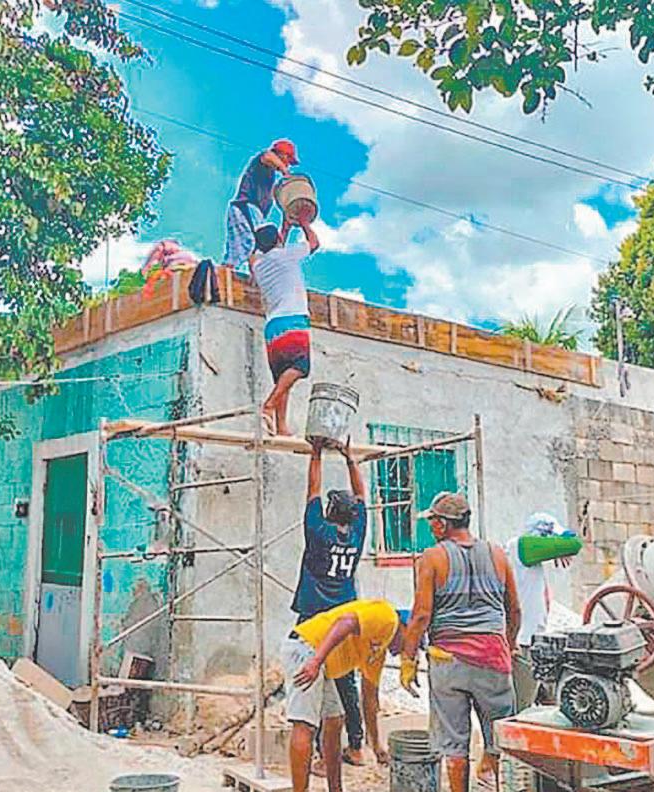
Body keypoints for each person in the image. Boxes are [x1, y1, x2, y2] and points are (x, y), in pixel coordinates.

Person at [399, 492, 521, 792]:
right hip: (493, 658)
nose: (431, 527)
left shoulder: (432, 558)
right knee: (499, 737)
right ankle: (497, 781)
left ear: (443, 524)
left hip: (448, 660)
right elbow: (514, 610)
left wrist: (408, 659)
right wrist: (508, 644)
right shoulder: (497, 554)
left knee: (454, 744)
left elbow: (421, 615)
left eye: (432, 522)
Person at [291, 440, 368, 774]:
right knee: (345, 681)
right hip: (344, 616)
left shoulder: (318, 531)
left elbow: (312, 490)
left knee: (312, 682)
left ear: (330, 512)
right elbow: (362, 495)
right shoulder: (357, 533)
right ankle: (357, 746)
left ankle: (322, 753)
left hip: (314, 617)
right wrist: (350, 459)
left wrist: (316, 453)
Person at [281, 600, 406, 792]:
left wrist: (376, 746)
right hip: (307, 649)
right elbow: (345, 622)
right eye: (411, 642)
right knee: (304, 724)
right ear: (406, 627)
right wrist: (316, 661)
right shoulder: (388, 616)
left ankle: (336, 789)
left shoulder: (377, 651)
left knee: (335, 720)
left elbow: (369, 701)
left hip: (320, 660)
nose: (404, 651)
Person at [506, 512, 582, 711]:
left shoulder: (528, 560)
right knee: (521, 709)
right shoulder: (522, 546)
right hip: (524, 643)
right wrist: (559, 533)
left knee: (548, 704)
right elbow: (573, 543)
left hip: (533, 640)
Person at [252, 218, 320, 435]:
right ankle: (269, 405)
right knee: (300, 367)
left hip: (273, 327)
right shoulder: (287, 255)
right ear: (279, 240)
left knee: (283, 380)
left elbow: (268, 249)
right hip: (292, 320)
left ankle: (282, 427)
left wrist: (285, 228)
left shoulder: (258, 266)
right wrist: (304, 223)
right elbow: (314, 243)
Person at [223, 139, 299, 271]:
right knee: (244, 245)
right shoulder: (262, 161)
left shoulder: (269, 175)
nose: (288, 164)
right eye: (288, 160)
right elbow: (267, 156)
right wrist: (285, 171)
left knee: (258, 248)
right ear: (282, 154)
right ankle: (225, 273)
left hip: (254, 212)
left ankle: (254, 277)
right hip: (246, 207)